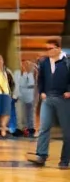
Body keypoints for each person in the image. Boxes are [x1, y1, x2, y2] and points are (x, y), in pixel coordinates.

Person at [30, 37, 70, 168]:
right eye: (46, 49)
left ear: (58, 49)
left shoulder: (67, 61)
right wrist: (42, 91)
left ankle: (65, 160)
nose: (48, 51)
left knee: (67, 130)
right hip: (47, 98)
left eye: (51, 49)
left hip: (63, 99)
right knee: (44, 127)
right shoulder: (44, 63)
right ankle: (41, 155)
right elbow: (40, 79)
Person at [16, 59, 37, 137]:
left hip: (30, 95)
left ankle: (30, 128)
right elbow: (21, 83)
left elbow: (32, 83)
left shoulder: (32, 73)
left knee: (30, 112)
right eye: (24, 64)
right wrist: (24, 73)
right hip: (21, 94)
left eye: (27, 64)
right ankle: (21, 128)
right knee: (20, 113)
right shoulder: (17, 73)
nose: (25, 66)